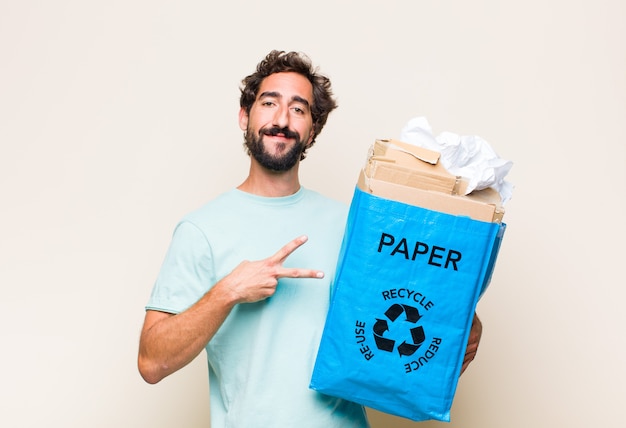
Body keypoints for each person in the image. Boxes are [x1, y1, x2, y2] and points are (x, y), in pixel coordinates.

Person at [138, 50, 483, 428]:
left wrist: (458, 324)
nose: (282, 120)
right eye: (269, 103)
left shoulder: (354, 226)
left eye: (299, 109)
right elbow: (152, 363)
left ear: (312, 130)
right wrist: (228, 291)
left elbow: (410, 305)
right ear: (244, 116)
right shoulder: (200, 230)